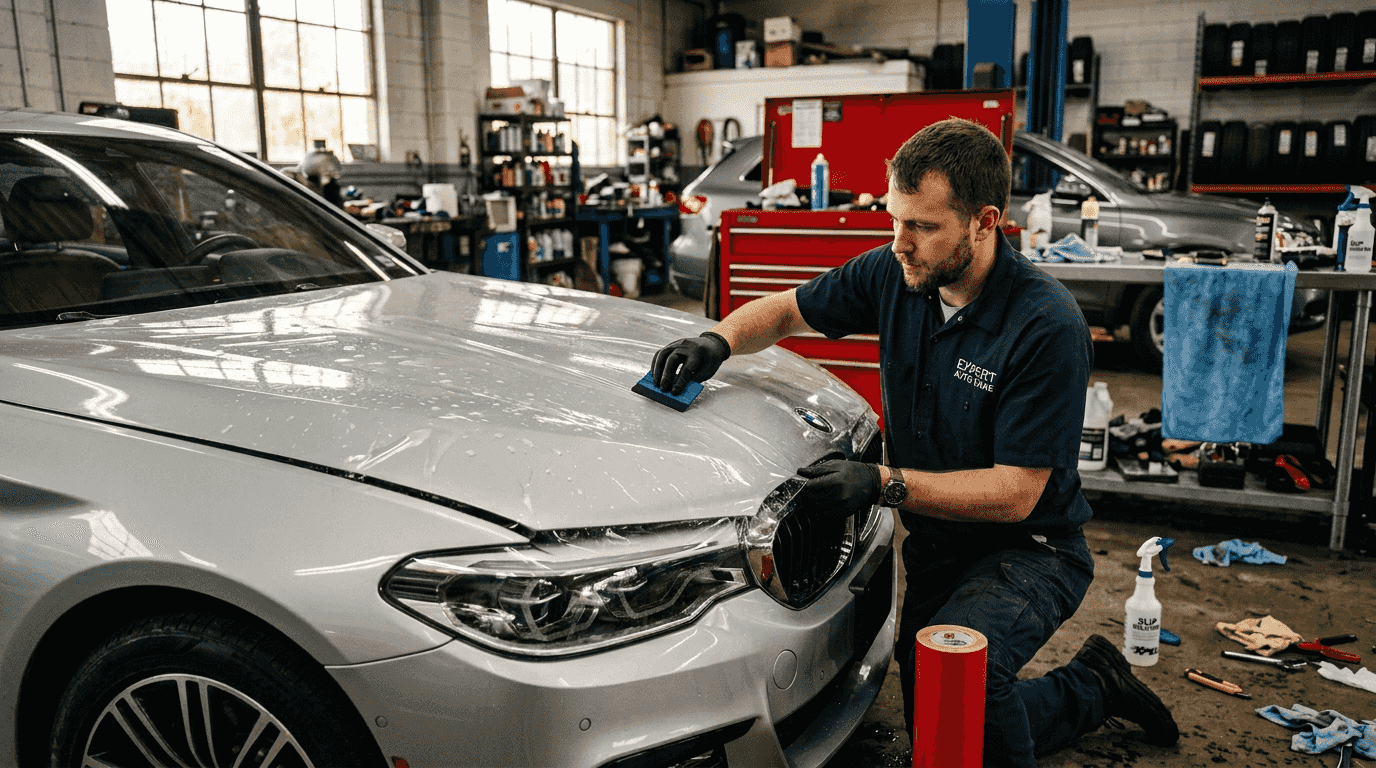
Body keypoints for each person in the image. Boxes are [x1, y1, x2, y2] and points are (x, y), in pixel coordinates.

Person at [650, 118, 1179, 766]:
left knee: (966, 685)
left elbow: (1016, 494)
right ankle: (1092, 684)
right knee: (939, 724)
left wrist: (881, 484)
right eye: (894, 219)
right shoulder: (896, 273)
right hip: (938, 546)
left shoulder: (1044, 326)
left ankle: (1060, 700)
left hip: (1030, 551)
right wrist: (719, 340)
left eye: (921, 227)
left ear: (985, 223)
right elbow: (787, 309)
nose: (899, 243)